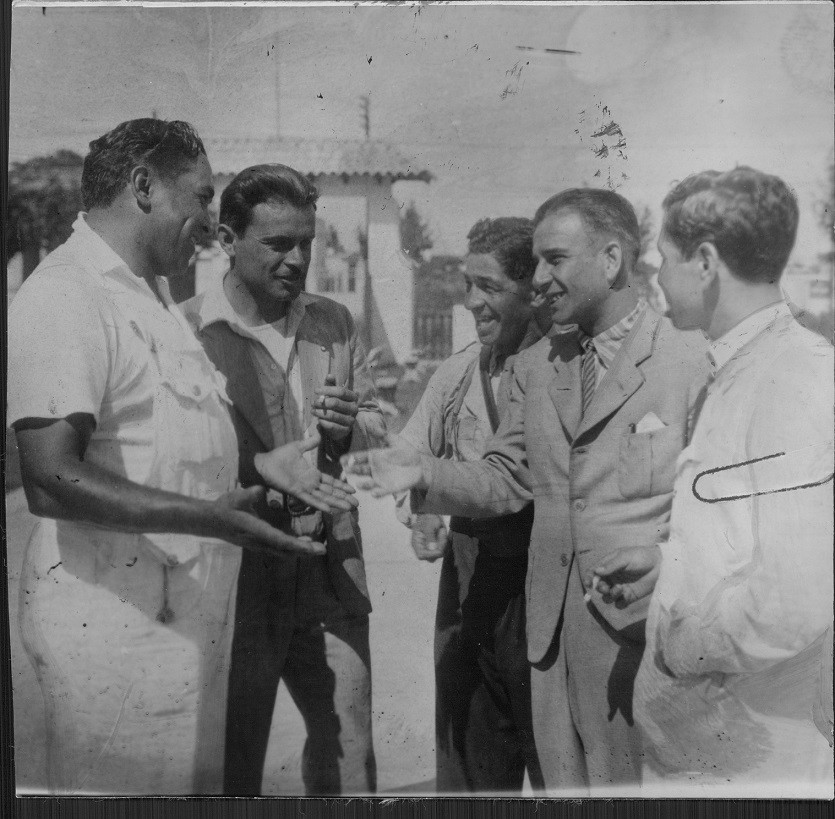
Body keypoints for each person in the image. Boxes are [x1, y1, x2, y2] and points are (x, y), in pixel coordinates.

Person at [7, 119, 358, 795]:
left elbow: (165, 439)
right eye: (199, 198)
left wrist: (261, 465)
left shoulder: (150, 294)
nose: (207, 221)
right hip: (114, 632)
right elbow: (50, 476)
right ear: (143, 186)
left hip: (176, 627)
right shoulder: (67, 293)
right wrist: (208, 517)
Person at [343, 188, 711, 794]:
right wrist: (422, 473)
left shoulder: (691, 362)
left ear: (612, 260)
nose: (539, 279)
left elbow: (717, 516)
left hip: (641, 651)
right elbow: (506, 475)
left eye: (554, 260)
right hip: (547, 647)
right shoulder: (541, 367)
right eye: (535, 263)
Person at [592, 167, 834, 796]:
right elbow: (746, 541)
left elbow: (793, 600)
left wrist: (681, 641)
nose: (654, 276)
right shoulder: (742, 365)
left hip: (754, 756)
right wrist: (668, 566)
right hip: (710, 747)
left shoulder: (789, 377)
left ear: (704, 262)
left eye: (663, 258)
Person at [182, 163, 385, 796]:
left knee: (350, 752)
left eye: (306, 242)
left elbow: (376, 426)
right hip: (237, 574)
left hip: (330, 566)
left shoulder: (334, 322)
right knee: (233, 759)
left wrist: (351, 428)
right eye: (277, 243)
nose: (297, 260)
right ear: (226, 238)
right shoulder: (185, 331)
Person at [395, 217, 549, 793]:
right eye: (468, 285)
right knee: (470, 769)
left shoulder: (564, 369)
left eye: (490, 287)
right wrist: (423, 513)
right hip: (469, 584)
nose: (472, 302)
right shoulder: (459, 372)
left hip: (543, 582)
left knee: (558, 766)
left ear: (532, 290)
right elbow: (413, 454)